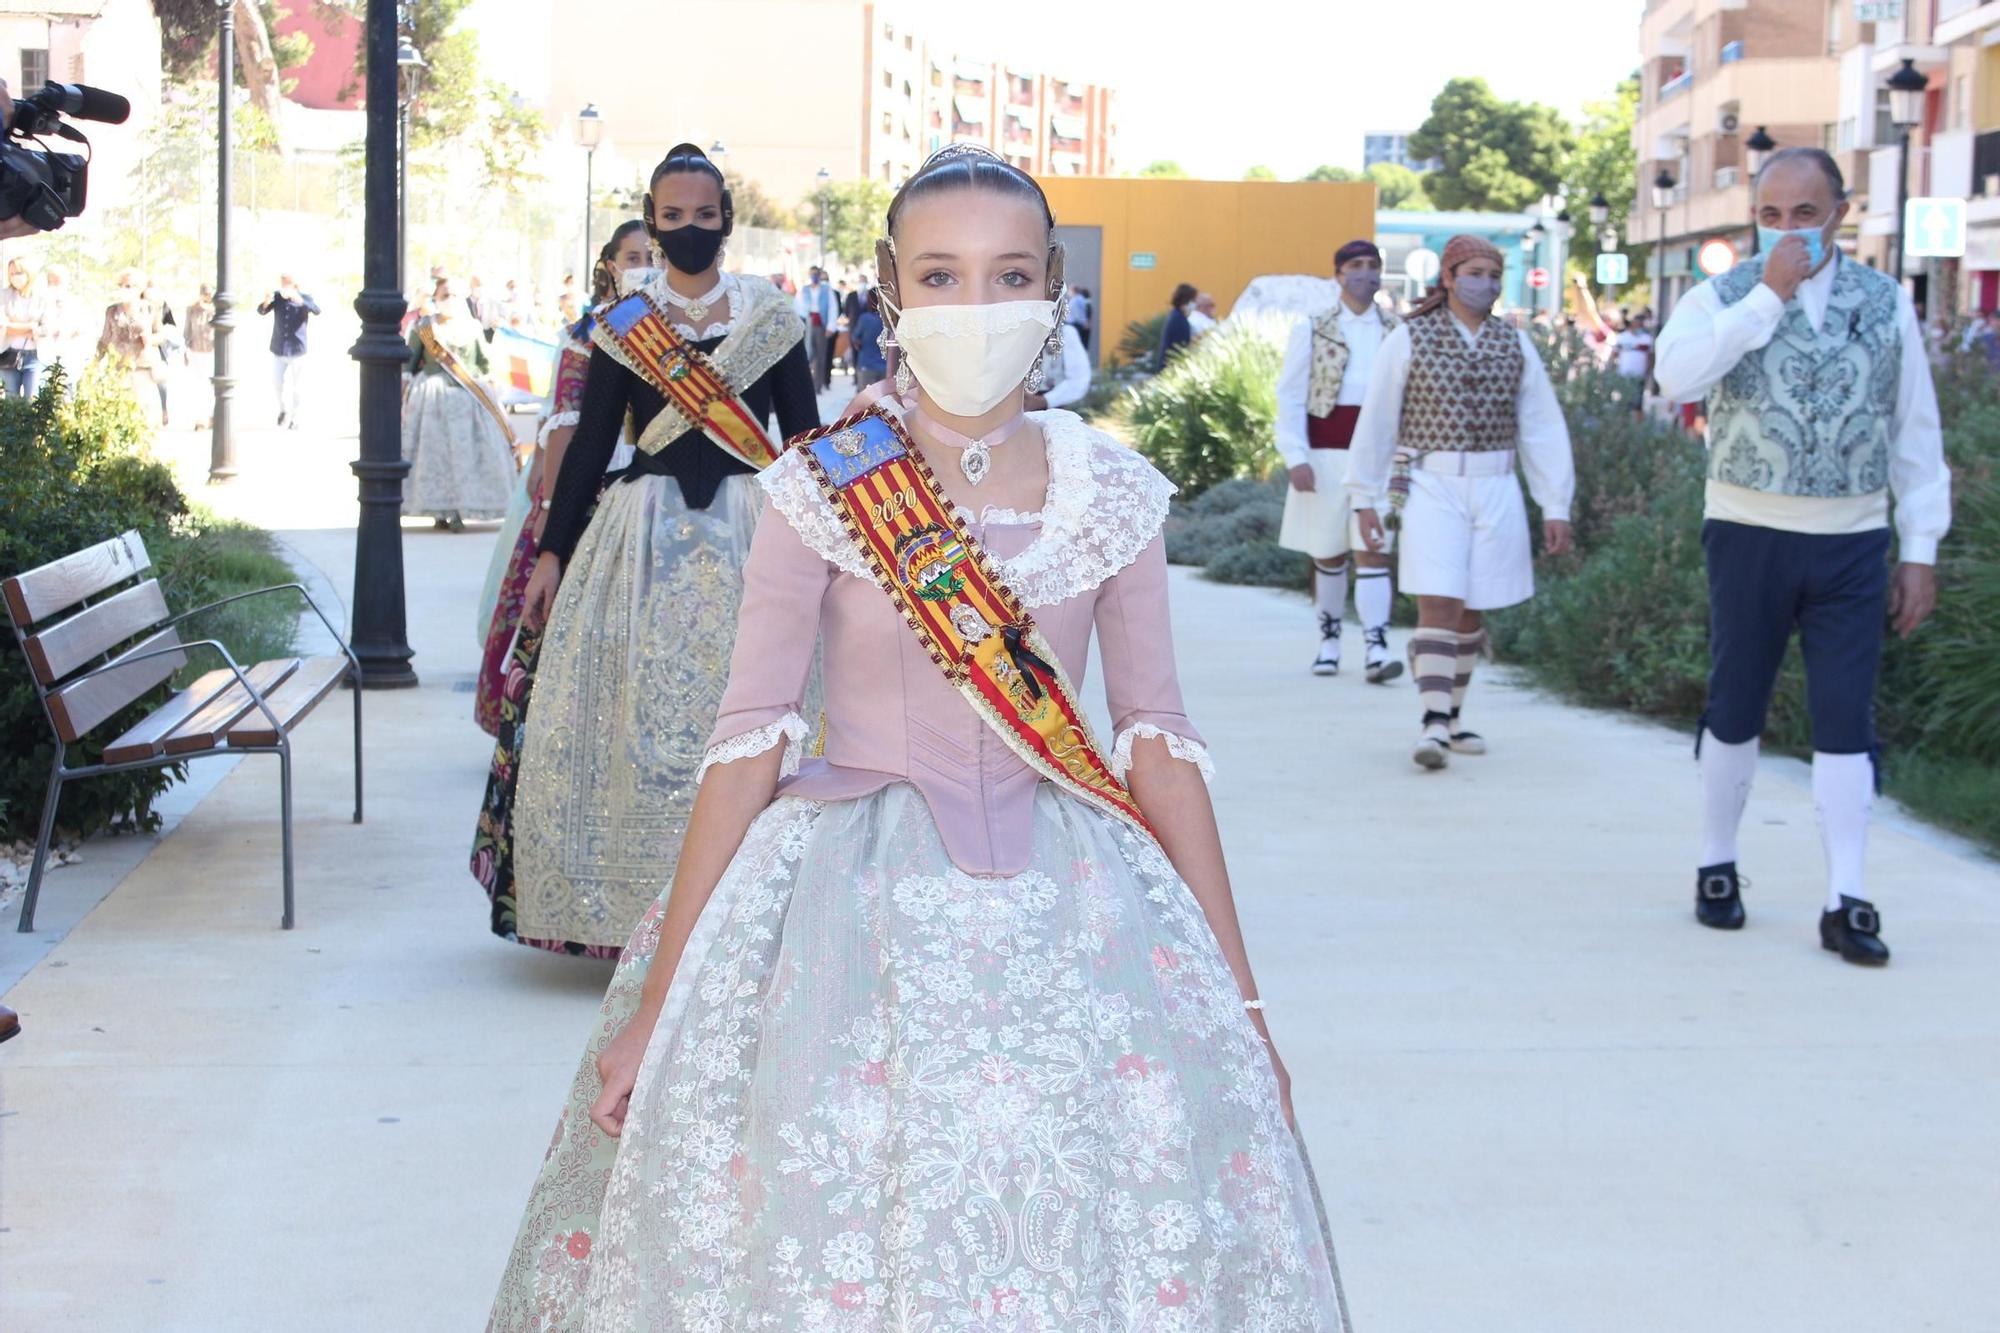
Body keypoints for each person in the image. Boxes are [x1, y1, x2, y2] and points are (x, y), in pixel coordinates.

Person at [488, 142, 1351, 1332]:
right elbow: (747, 742)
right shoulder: (826, 482)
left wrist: (1244, 1013)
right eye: (940, 276)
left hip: (1079, 912)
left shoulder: (1113, 490)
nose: (975, 306)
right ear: (890, 288)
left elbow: (1157, 741)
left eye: (1006, 276)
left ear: (1049, 283)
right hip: (847, 910)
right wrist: (662, 999)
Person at [506, 142, 820, 958]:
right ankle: (637, 914)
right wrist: (550, 552)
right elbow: (585, 453)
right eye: (671, 218)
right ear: (651, 220)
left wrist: (836, 546)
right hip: (638, 542)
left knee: (745, 720)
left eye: (703, 217)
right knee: (639, 724)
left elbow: (805, 441)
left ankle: (745, 905)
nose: (688, 231)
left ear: (726, 224)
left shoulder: (773, 321)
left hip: (755, 544)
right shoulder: (625, 329)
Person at [1653, 148, 1951, 967]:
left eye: (1806, 214)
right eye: (1772, 215)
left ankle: (1845, 895)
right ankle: (1718, 861)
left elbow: (1916, 434)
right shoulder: (1722, 295)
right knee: (1737, 699)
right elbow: (1676, 376)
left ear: (1840, 214)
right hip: (1748, 530)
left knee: (1846, 714)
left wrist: (1919, 549)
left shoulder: (1886, 302)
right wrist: (1765, 298)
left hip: (1853, 539)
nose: (1788, 231)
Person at [471, 220, 658, 946]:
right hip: (594, 521)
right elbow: (567, 437)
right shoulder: (594, 335)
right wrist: (556, 532)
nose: (645, 267)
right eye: (634, 257)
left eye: (654, 257)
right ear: (608, 267)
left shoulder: (681, 329)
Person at [1348, 234, 1575, 769]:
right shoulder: (1408, 338)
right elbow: (1378, 421)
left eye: (1494, 275)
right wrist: (1364, 497)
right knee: (1438, 597)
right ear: (1448, 277)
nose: (1486, 285)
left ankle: (1451, 716)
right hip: (1432, 483)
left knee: (1473, 604)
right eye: (1474, 273)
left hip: (1495, 483)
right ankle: (1431, 723)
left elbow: (1541, 426)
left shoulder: (1514, 343)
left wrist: (1556, 503)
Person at [1276, 240, 1404, 682]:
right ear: (1339, 274)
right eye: (1356, 266)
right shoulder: (1313, 328)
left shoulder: (1398, 329)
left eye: (1373, 266)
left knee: (1375, 549)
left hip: (1381, 456)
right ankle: (1329, 641)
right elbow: (1290, 396)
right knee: (1328, 552)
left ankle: (1376, 644)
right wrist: (1295, 454)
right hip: (1326, 448)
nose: (1366, 274)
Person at [400, 276, 518, 530]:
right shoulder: (424, 327)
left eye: (454, 295)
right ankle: (439, 511)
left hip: (468, 398)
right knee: (435, 455)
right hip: (432, 398)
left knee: (467, 455)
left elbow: (482, 363)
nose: (449, 300)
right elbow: (410, 362)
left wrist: (490, 386)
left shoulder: (473, 328)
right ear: (436, 298)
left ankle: (461, 508)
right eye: (444, 295)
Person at [96, 269, 163, 425]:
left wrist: (150, 339)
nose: (123, 289)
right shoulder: (112, 311)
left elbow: (160, 334)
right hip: (119, 369)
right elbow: (105, 339)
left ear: (139, 288)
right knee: (119, 415)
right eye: (121, 285)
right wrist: (96, 361)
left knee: (145, 415)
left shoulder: (149, 309)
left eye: (128, 285)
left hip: (142, 368)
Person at [256, 274, 319, 429]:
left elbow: (316, 310)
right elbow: (262, 311)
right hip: (279, 347)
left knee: (298, 387)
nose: (284, 286)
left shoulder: (305, 297)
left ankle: (295, 418)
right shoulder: (278, 297)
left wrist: (299, 300)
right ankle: (283, 409)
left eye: (287, 283)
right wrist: (266, 301)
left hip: (297, 348)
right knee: (276, 382)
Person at [1, 258, 49, 398]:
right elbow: (3, 326)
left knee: (32, 401)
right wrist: (31, 326)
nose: (15, 277)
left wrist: (15, 326)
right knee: (11, 403)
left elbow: (46, 329)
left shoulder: (42, 297)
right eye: (12, 274)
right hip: (8, 355)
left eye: (19, 272)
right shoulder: (3, 295)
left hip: (34, 357)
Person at [795, 264, 838, 390]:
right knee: (808, 354)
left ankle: (818, 384)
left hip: (821, 324)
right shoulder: (804, 290)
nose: (814, 277)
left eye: (816, 274)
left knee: (821, 355)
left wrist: (831, 326)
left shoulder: (826, 290)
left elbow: (832, 308)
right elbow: (798, 307)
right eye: (812, 274)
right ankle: (807, 383)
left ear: (819, 275)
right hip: (808, 324)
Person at [849, 285, 887, 391]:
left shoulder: (864, 319)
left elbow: (855, 338)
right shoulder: (890, 321)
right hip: (886, 367)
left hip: (867, 365)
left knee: (866, 403)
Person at [1155, 280, 1197, 369]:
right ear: (1185, 300)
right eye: (1193, 300)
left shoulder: (1176, 316)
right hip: (1172, 368)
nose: (1194, 303)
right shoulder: (1178, 320)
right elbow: (1180, 347)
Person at [1068, 280, 1093, 350]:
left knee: (1078, 346)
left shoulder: (1076, 300)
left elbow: (1077, 314)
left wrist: (1083, 322)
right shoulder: (1079, 299)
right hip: (1079, 324)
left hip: (1076, 324)